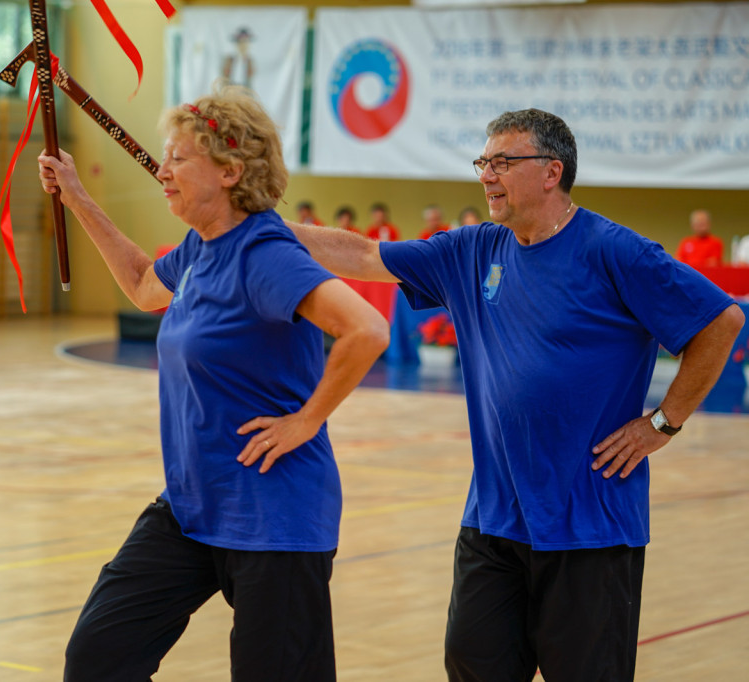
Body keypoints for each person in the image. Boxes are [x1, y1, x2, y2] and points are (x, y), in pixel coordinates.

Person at [288, 108, 744, 682]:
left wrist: (662, 424)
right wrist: (256, 226)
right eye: (483, 161)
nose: (486, 175)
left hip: (591, 528)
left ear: (552, 172)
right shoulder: (471, 251)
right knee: (472, 666)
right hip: (493, 522)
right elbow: (359, 255)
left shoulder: (616, 250)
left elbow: (721, 321)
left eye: (503, 162)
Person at [38, 85, 389, 682]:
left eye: (177, 158)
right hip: (192, 508)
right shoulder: (201, 249)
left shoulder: (265, 255)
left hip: (274, 520)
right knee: (99, 657)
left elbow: (367, 329)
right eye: (164, 157)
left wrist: (306, 420)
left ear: (230, 172)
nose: (162, 171)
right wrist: (76, 196)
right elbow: (143, 285)